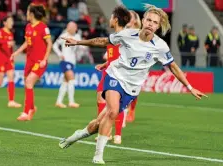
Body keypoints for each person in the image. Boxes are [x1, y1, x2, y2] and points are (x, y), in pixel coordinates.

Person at [59, 5, 207, 164]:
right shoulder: (128, 34)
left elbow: (173, 67)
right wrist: (78, 42)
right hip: (115, 75)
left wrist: (190, 87)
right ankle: (98, 155)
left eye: (155, 22)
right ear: (143, 21)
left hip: (131, 89)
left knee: (98, 124)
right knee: (113, 111)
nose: (151, 24)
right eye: (149, 20)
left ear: (158, 26)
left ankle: (76, 136)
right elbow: (102, 41)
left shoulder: (160, 47)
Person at [95, 10, 142, 145]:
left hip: (119, 73)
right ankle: (105, 132)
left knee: (116, 103)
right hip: (108, 70)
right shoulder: (113, 37)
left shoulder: (126, 37)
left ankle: (117, 134)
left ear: (115, 20)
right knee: (100, 98)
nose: (109, 19)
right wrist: (104, 64)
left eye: (110, 17)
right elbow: (112, 56)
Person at [11, 5, 52, 121]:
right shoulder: (28, 27)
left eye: (28, 12)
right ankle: (32, 108)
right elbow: (27, 43)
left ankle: (25, 112)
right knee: (27, 84)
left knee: (29, 82)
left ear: (32, 14)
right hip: (29, 61)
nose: (26, 14)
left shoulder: (43, 27)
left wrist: (44, 59)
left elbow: (49, 43)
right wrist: (17, 52)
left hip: (39, 61)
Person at [53, 22, 81, 108]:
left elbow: (78, 49)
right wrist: (60, 54)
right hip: (64, 61)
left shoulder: (77, 37)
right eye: (69, 26)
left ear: (75, 28)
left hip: (72, 62)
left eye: (72, 27)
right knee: (71, 79)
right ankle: (71, 101)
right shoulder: (64, 35)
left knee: (65, 82)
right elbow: (54, 45)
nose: (70, 28)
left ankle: (59, 101)